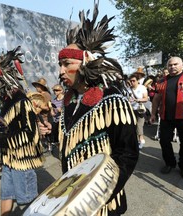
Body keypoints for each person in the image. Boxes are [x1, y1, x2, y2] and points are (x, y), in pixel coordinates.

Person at [38, 3, 139, 215]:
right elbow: (75, 135)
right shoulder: (69, 100)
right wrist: (53, 130)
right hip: (73, 195)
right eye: (60, 65)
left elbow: (127, 153)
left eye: (66, 64)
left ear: (85, 63)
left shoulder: (112, 100)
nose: (61, 71)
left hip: (104, 199)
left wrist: (103, 192)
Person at [0, 46, 44, 216]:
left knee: (29, 202)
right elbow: (8, 127)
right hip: (9, 158)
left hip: (23, 160)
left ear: (5, 79)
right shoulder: (7, 101)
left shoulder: (21, 100)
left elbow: (31, 133)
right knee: (6, 195)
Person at [127, 74, 148, 149]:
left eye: (134, 81)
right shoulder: (128, 89)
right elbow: (127, 98)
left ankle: (141, 140)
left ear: (137, 81)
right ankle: (134, 141)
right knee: (132, 126)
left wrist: (138, 100)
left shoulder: (142, 88)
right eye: (131, 81)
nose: (132, 82)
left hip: (140, 109)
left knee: (139, 125)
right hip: (131, 110)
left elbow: (146, 98)